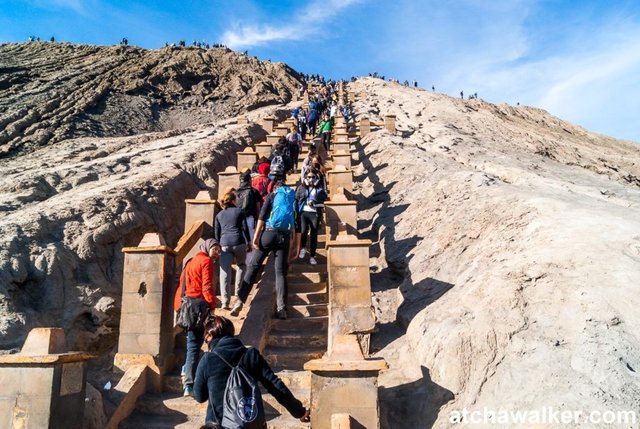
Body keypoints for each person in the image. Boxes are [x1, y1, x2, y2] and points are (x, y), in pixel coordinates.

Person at [193, 315, 311, 426]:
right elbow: (275, 385)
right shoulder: (251, 354)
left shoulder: (208, 359)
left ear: (210, 336)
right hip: (250, 423)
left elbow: (199, 396)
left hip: (219, 424)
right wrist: (298, 411)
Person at [231, 180, 294, 320]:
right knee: (280, 273)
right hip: (284, 237)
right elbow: (294, 221)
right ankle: (282, 308)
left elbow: (262, 216)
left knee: (253, 266)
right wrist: (292, 241)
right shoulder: (290, 198)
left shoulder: (271, 196)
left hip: (268, 234)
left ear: (274, 189)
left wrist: (256, 236)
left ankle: (240, 301)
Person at [173, 238, 220, 397]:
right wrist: (212, 307)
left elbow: (182, 285)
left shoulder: (190, 261)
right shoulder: (206, 261)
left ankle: (187, 370)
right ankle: (189, 383)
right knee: (195, 345)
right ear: (207, 248)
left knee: (193, 343)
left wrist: (178, 306)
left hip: (186, 308)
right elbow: (207, 286)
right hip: (199, 309)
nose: (217, 253)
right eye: (215, 249)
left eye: (219, 251)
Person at [214, 189, 251, 310]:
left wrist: (219, 245)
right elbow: (245, 228)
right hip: (239, 242)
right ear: (233, 201)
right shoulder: (239, 211)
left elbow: (216, 233)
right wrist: (249, 242)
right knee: (241, 266)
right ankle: (238, 293)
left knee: (224, 271)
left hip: (224, 244)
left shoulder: (219, 215)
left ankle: (225, 301)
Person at [295, 169, 327, 266]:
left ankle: (312, 256)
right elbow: (296, 199)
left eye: (313, 177)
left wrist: (315, 203)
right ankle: (303, 247)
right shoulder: (301, 188)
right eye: (309, 177)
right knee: (303, 231)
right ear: (305, 178)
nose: (311, 179)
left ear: (316, 178)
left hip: (314, 213)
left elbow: (323, 200)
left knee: (314, 234)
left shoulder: (320, 189)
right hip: (304, 212)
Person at [235, 171, 262, 242]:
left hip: (237, 219)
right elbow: (258, 208)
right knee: (250, 240)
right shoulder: (254, 191)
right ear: (250, 180)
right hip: (249, 219)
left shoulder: (234, 192)